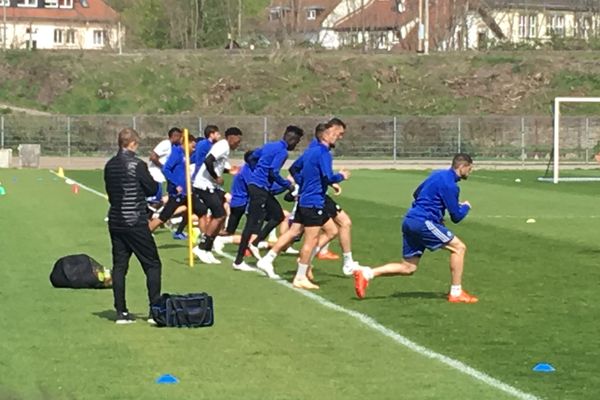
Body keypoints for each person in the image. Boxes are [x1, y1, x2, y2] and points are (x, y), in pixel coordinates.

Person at [353, 153, 478, 303]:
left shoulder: (437, 174)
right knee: (459, 248)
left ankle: (367, 274)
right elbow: (456, 217)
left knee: (408, 267)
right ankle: (456, 293)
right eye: (469, 169)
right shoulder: (451, 185)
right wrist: (465, 207)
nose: (470, 172)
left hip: (410, 220)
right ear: (462, 166)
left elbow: (416, 193)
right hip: (423, 222)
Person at [104, 128, 162, 324]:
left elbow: (111, 193)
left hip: (116, 220)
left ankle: (121, 312)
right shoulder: (137, 165)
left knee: (120, 266)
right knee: (152, 264)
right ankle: (155, 311)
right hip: (135, 220)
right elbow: (152, 188)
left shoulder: (110, 165)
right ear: (132, 144)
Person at [232, 126, 304, 274]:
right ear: (292, 139)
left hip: (257, 186)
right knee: (251, 223)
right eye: (296, 142)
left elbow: (252, 157)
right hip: (259, 188)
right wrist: (287, 185)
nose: (295, 145)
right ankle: (238, 261)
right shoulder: (282, 152)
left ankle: (256, 242)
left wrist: (256, 171)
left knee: (278, 215)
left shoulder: (270, 145)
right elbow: (273, 171)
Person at [290, 124, 349, 289]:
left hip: (306, 199)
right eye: (334, 135)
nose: (336, 137)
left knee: (332, 230)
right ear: (325, 136)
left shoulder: (310, 151)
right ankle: (300, 276)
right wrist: (341, 176)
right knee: (311, 239)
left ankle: (305, 261)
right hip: (313, 201)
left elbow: (294, 168)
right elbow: (328, 177)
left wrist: (303, 182)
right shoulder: (323, 153)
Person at [192, 127, 244, 266]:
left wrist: (228, 171)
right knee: (219, 214)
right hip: (204, 184)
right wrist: (216, 177)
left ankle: (208, 249)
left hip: (212, 186)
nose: (238, 144)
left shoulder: (225, 148)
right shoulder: (222, 145)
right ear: (231, 137)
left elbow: (218, 165)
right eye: (238, 140)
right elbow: (208, 161)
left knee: (223, 213)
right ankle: (202, 246)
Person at [148, 133, 206, 238]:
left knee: (201, 210)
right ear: (187, 143)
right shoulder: (177, 153)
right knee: (164, 216)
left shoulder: (187, 154)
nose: (194, 149)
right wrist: (176, 184)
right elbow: (166, 169)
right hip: (177, 193)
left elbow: (197, 160)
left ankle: (205, 240)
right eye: (193, 146)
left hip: (187, 192)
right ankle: (145, 234)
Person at [148, 127, 183, 204]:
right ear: (175, 136)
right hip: (156, 174)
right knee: (156, 196)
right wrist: (162, 167)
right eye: (179, 137)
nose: (180, 139)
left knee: (161, 196)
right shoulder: (166, 143)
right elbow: (153, 157)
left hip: (161, 176)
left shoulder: (172, 147)